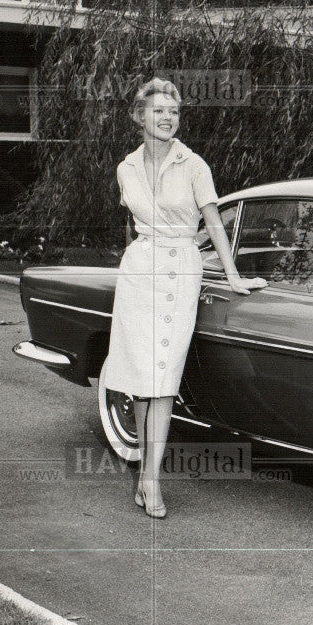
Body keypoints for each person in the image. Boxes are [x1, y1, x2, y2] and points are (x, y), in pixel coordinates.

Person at [103, 78, 267, 518]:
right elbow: (135, 223)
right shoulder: (126, 168)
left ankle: (150, 480)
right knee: (142, 377)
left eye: (173, 112)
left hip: (179, 269)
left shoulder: (194, 165)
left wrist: (233, 276)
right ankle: (147, 478)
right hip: (139, 273)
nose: (167, 118)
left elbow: (213, 223)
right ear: (140, 116)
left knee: (163, 374)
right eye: (158, 111)